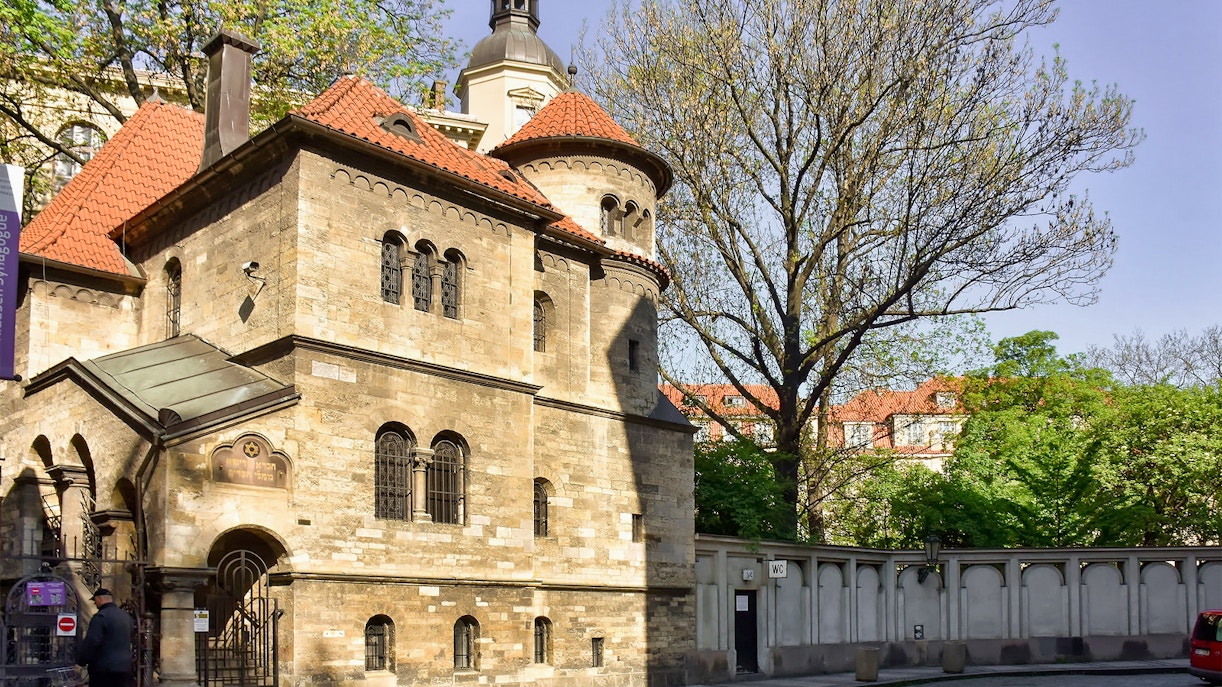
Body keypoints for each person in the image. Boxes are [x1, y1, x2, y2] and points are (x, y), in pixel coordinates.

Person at [75, 588, 133, 687]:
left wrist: (81, 662)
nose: (94, 603)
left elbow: (92, 641)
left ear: (100, 599)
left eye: (95, 600)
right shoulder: (125, 616)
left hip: (103, 668)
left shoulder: (100, 617)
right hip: (124, 667)